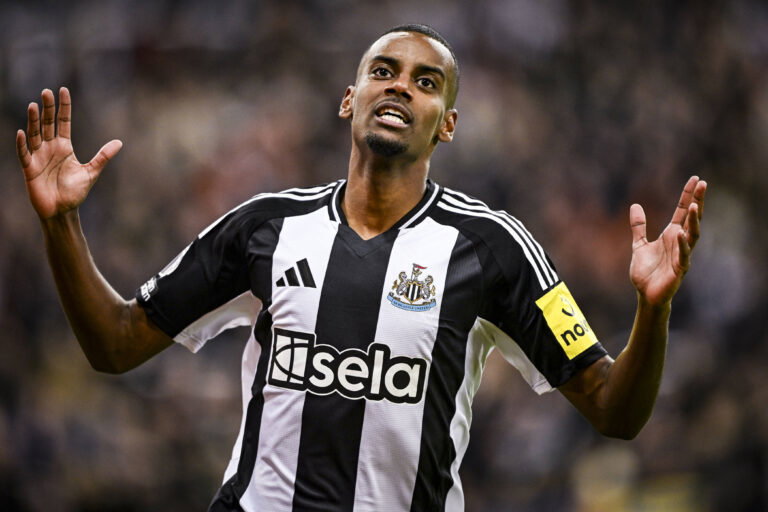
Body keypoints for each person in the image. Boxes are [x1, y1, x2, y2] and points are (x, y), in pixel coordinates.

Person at [16, 23, 706, 512]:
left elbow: (616, 413)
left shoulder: (493, 247)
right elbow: (114, 345)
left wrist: (654, 309)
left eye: (425, 82)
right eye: (383, 72)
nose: (400, 88)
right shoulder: (265, 227)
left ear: (449, 124)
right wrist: (61, 223)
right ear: (350, 100)